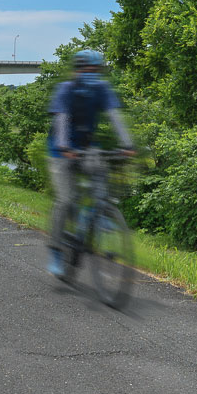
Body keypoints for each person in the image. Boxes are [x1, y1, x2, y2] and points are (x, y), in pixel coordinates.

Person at [45, 49, 134, 277]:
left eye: (96, 69)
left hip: (86, 146)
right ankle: (56, 249)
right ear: (78, 70)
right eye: (87, 69)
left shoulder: (101, 88)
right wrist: (64, 147)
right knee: (66, 199)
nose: (92, 73)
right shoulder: (66, 89)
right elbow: (61, 119)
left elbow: (114, 115)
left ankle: (100, 213)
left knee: (101, 169)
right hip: (59, 150)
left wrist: (127, 144)